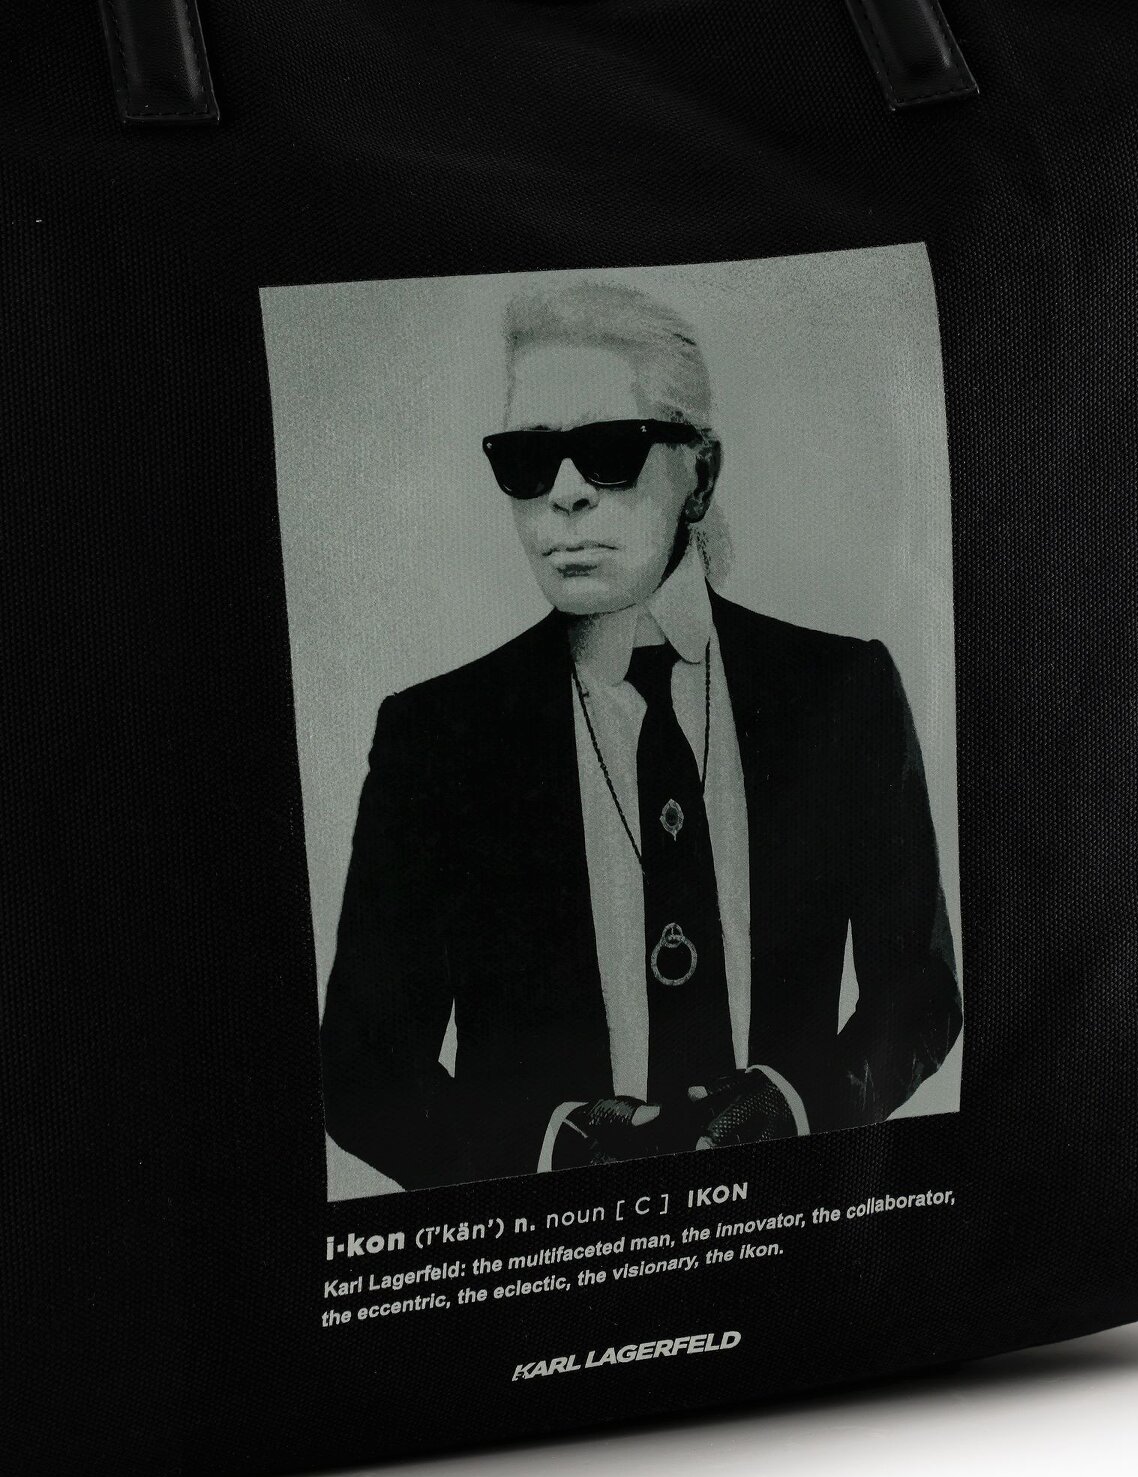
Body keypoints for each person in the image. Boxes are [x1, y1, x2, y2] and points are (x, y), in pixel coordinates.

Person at [319, 279, 962, 1191]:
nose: (565, 496)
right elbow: (360, 1069)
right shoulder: (436, 739)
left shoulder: (842, 692)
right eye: (525, 460)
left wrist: (801, 1106)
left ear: (700, 475)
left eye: (609, 451)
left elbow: (921, 991)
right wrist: (544, 1149)